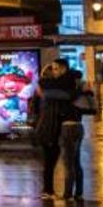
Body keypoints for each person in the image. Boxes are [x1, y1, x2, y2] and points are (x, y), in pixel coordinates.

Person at [34, 59, 79, 199]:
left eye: (56, 69)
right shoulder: (50, 95)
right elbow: (68, 96)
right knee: (51, 161)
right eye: (53, 71)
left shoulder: (46, 93)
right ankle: (48, 191)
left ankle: (48, 191)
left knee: (50, 161)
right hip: (49, 130)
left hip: (46, 129)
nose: (55, 73)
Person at [59, 63, 97, 200]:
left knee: (68, 163)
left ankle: (67, 193)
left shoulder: (68, 94)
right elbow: (92, 111)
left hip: (67, 127)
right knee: (76, 162)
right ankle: (79, 193)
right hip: (79, 127)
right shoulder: (82, 94)